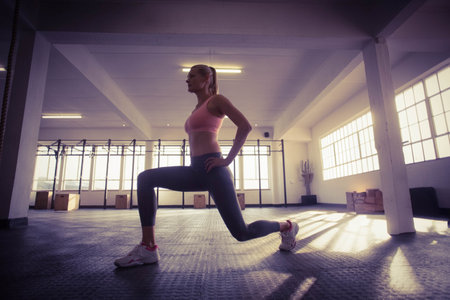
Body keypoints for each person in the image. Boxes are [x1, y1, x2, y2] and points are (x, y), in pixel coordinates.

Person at [114, 64, 299, 268]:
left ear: (207, 78)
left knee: (242, 233)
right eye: (188, 76)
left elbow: (245, 126)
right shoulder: (196, 109)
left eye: (192, 76)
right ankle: (148, 247)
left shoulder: (217, 100)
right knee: (145, 178)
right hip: (195, 170)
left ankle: (287, 226)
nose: (187, 79)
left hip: (214, 170)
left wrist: (227, 160)